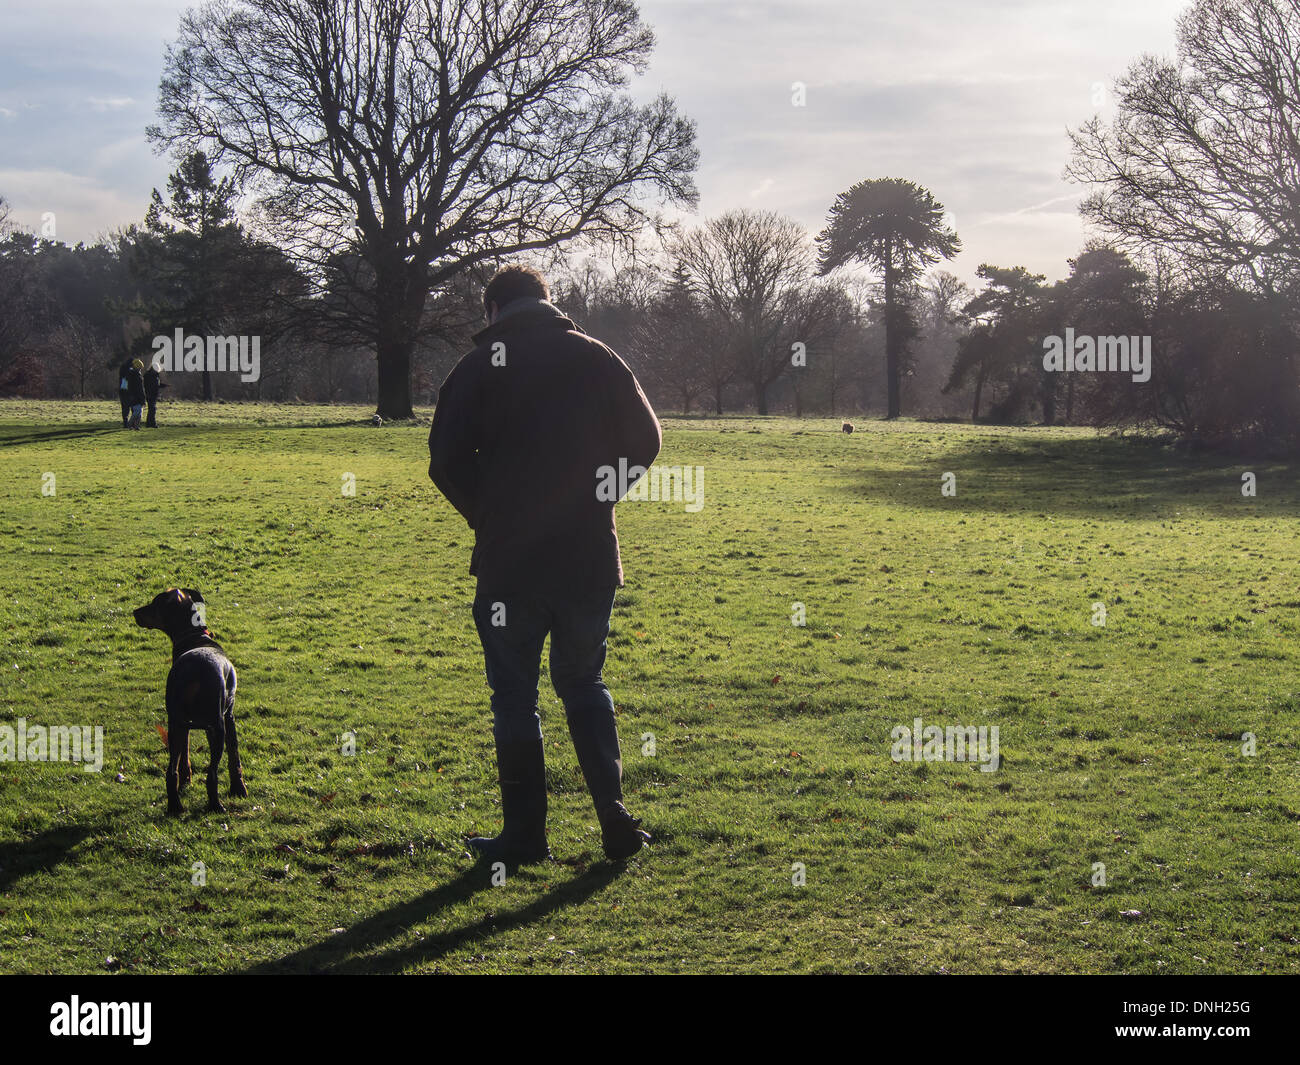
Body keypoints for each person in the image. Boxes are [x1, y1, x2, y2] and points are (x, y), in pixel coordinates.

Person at [428, 264, 661, 864]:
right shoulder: (596, 356)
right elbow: (646, 440)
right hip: (587, 558)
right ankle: (613, 812)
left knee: (514, 697)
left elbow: (445, 461)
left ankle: (526, 836)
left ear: (492, 310)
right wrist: (599, 496)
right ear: (547, 301)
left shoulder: (478, 368)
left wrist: (490, 515)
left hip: (510, 565)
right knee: (583, 682)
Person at [124, 358, 146, 430]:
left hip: (133, 396)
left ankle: (136, 426)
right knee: (138, 411)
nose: (140, 369)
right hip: (136, 397)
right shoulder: (136, 376)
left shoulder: (131, 375)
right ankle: (130, 424)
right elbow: (139, 389)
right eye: (140, 368)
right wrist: (142, 398)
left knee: (139, 412)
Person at [144, 362, 166, 428]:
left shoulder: (149, 375)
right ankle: (152, 424)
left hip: (152, 394)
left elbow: (156, 385)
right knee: (152, 409)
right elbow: (152, 385)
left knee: (151, 409)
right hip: (151, 394)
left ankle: (149, 424)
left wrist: (163, 385)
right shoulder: (152, 375)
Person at [117, 357, 134, 427]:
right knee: (131, 407)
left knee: (124, 408)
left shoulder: (122, 370)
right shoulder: (131, 371)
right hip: (128, 391)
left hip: (122, 391)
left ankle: (125, 422)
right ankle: (132, 423)